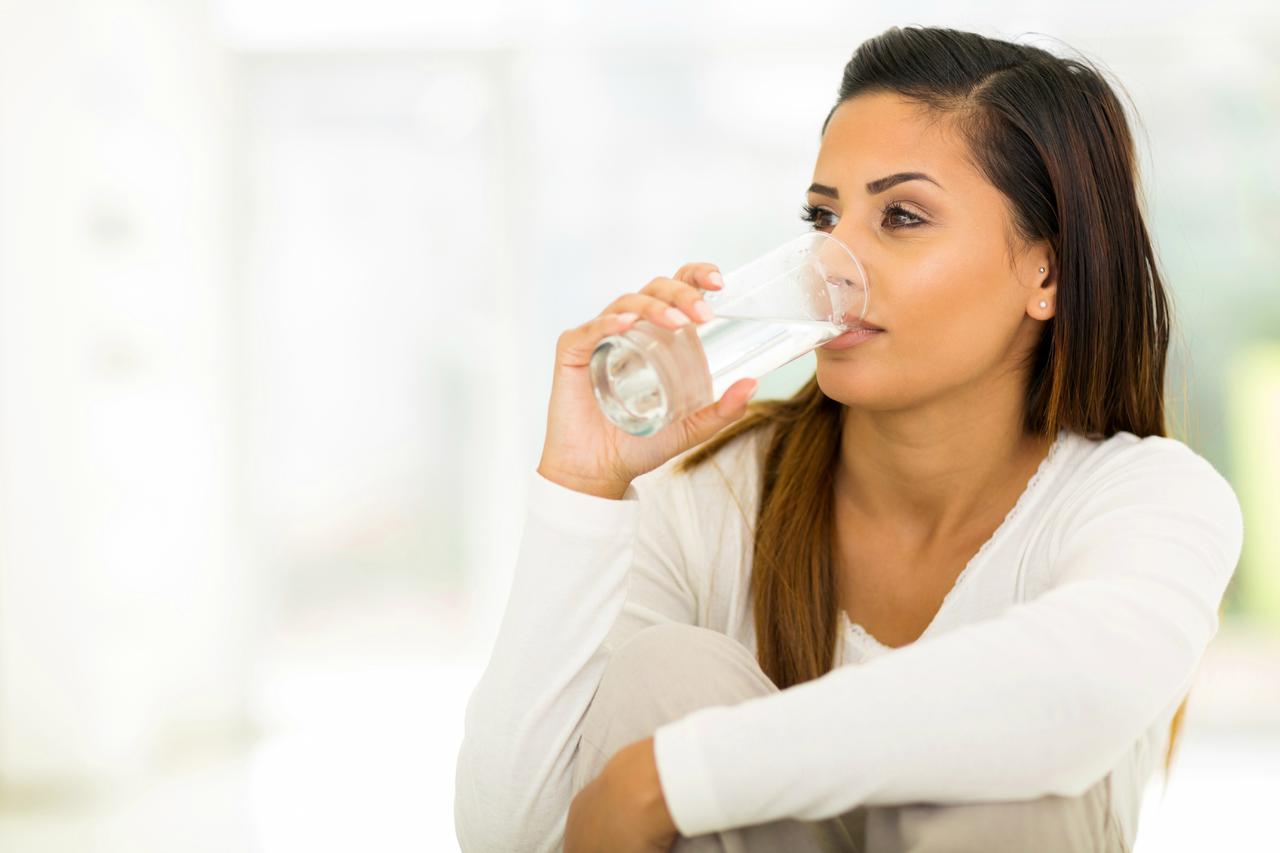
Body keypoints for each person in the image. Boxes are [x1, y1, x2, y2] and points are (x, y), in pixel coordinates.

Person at [454, 25, 1244, 853]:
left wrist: (667, 780)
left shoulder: (1150, 498)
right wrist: (583, 483)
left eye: (901, 215)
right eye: (823, 216)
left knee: (1005, 787)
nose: (832, 261)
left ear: (1044, 273)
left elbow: (1069, 698)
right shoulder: (708, 494)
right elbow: (514, 838)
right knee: (665, 673)